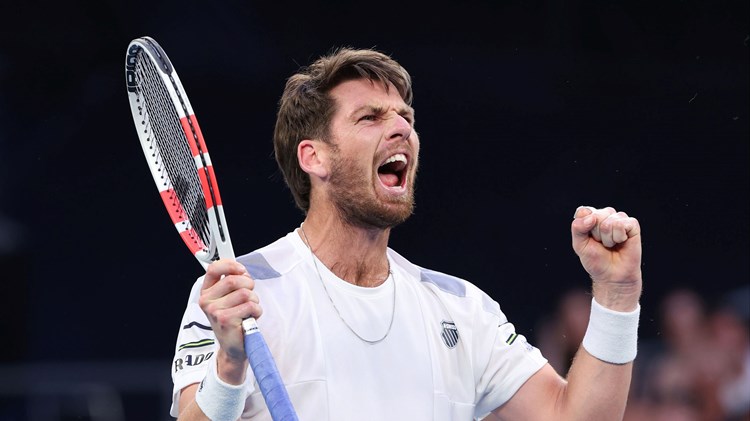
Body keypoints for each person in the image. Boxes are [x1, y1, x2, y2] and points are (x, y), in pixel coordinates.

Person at [170, 47, 643, 421]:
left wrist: (617, 296)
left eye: (406, 118)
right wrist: (229, 366)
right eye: (370, 117)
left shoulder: (462, 309)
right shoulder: (236, 295)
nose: (401, 128)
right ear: (314, 157)